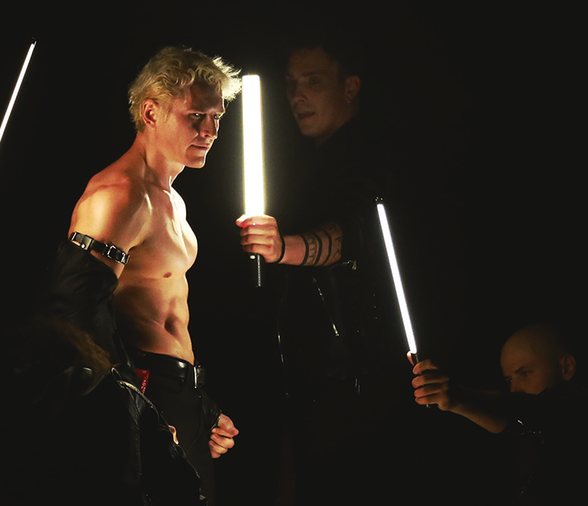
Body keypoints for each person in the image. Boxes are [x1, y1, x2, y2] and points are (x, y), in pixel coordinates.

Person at [236, 33, 408, 504]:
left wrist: (284, 248)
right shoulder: (312, 163)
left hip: (358, 377)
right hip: (313, 376)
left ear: (349, 86)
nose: (297, 95)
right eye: (291, 83)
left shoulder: (367, 156)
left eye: (312, 81)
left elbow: (353, 234)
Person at [66, 45, 242, 504]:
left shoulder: (172, 199)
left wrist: (199, 404)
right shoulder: (119, 195)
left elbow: (164, 314)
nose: (210, 131)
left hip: (177, 392)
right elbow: (73, 316)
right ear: (151, 112)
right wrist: (136, 412)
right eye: (196, 116)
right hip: (140, 393)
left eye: (216, 117)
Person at [411, 322, 588, 504]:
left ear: (567, 368)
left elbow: (536, 411)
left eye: (525, 373)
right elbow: (515, 421)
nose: (514, 388)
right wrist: (457, 402)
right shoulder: (527, 433)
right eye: (509, 380)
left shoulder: (585, 407)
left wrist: (461, 397)